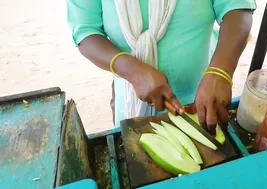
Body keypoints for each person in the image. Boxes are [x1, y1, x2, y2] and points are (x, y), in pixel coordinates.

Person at [66, 0, 256, 134]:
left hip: (204, 97)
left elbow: (237, 7)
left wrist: (221, 71)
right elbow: (86, 31)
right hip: (131, 99)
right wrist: (132, 70)